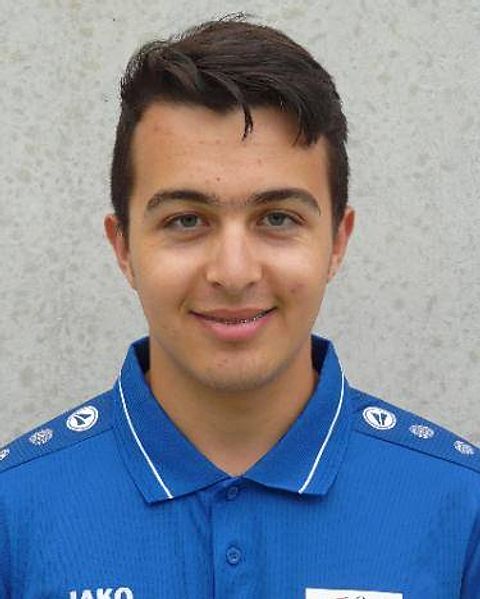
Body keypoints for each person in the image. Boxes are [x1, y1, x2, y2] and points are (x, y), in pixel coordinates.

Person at [0, 15, 478, 599]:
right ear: (123, 248)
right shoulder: (13, 513)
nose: (233, 272)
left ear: (337, 242)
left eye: (277, 218)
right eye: (186, 220)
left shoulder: (462, 510)